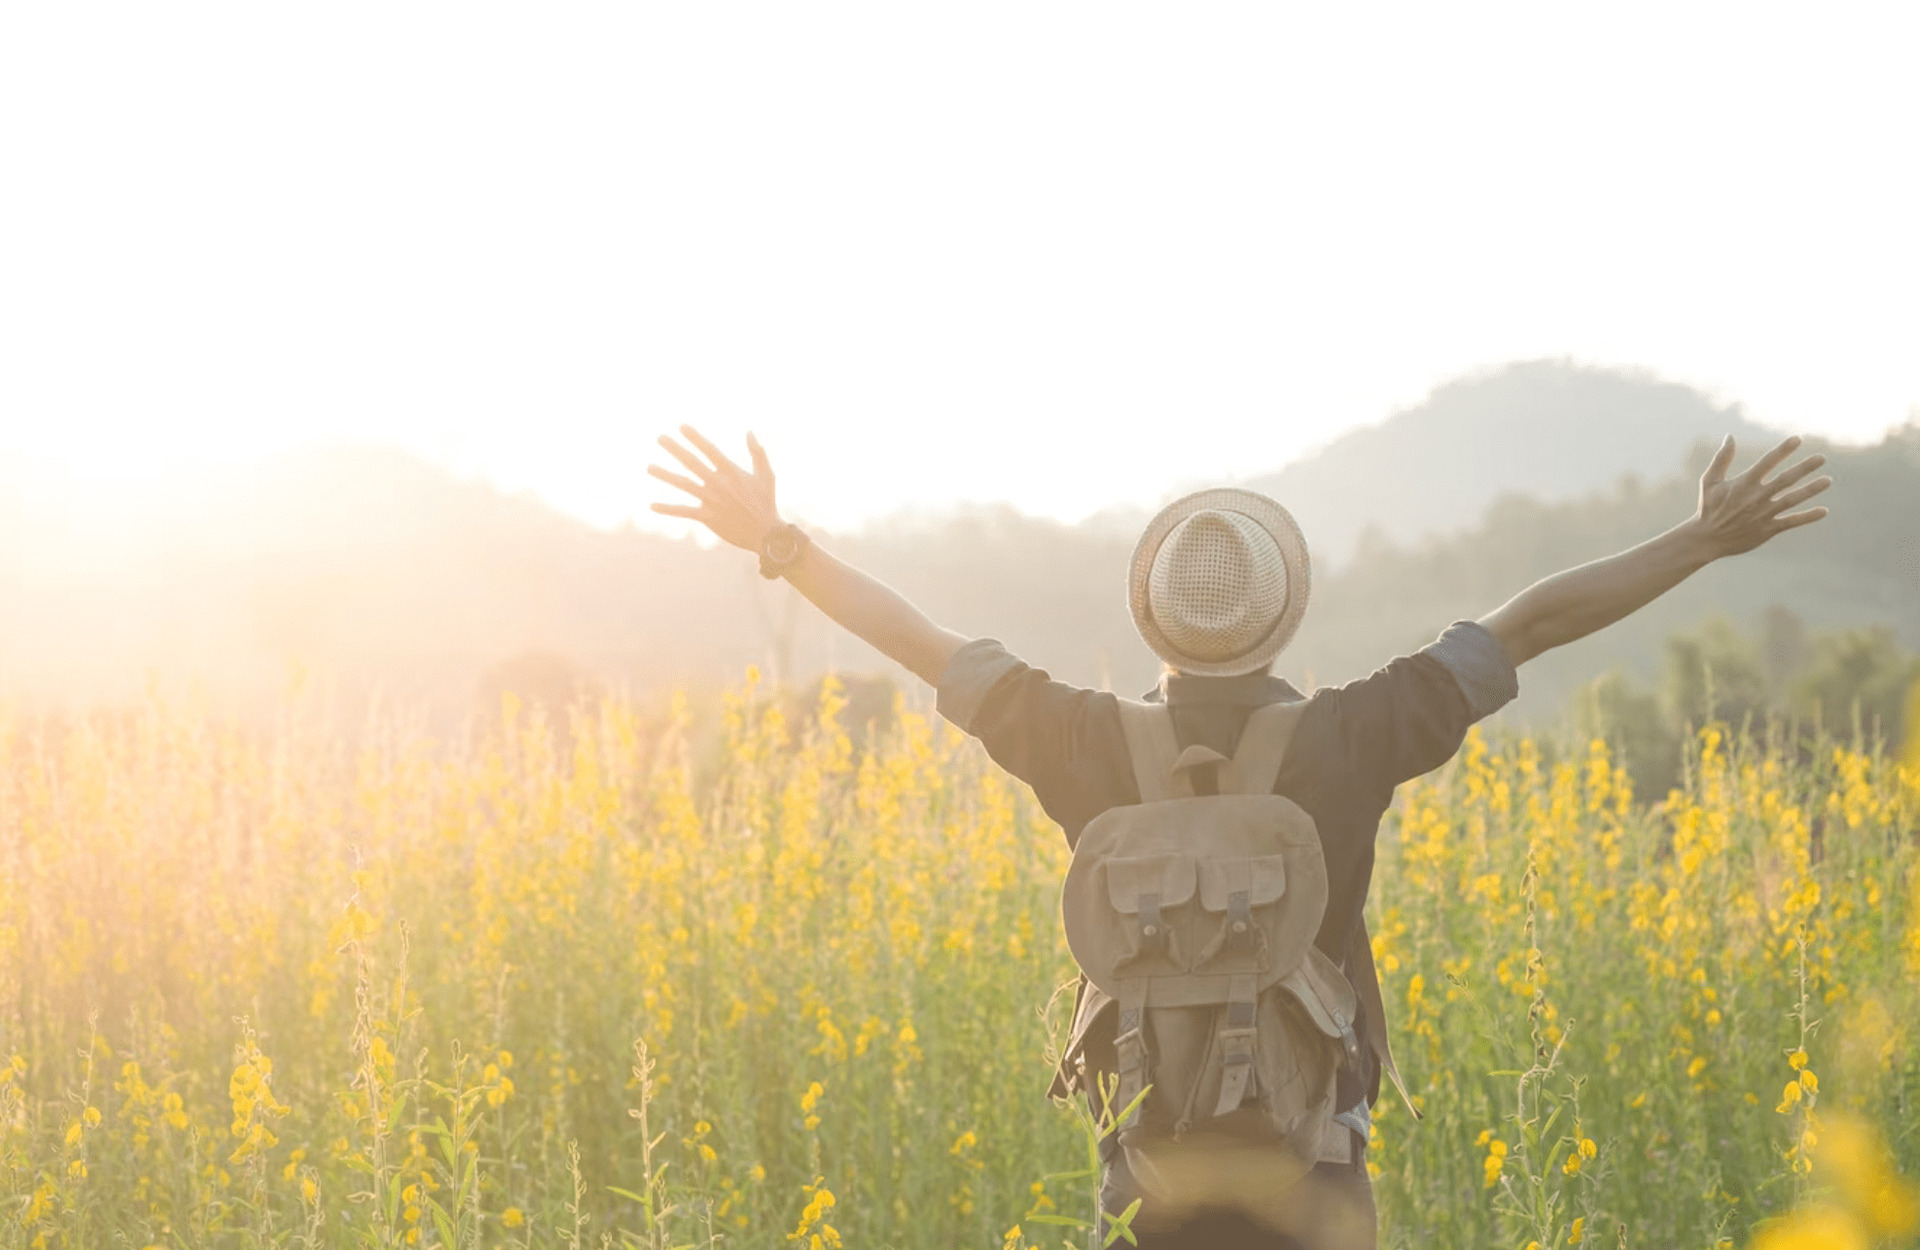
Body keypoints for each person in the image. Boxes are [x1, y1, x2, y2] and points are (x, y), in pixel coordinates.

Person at [649, 426, 1831, 1249]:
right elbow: (1535, 620)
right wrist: (1701, 541)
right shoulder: (1356, 732)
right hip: (1314, 1172)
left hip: (1152, 1169)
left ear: (1151, 613)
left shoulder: (1079, 739)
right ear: (1284, 611)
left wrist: (780, 542)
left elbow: (915, 635)